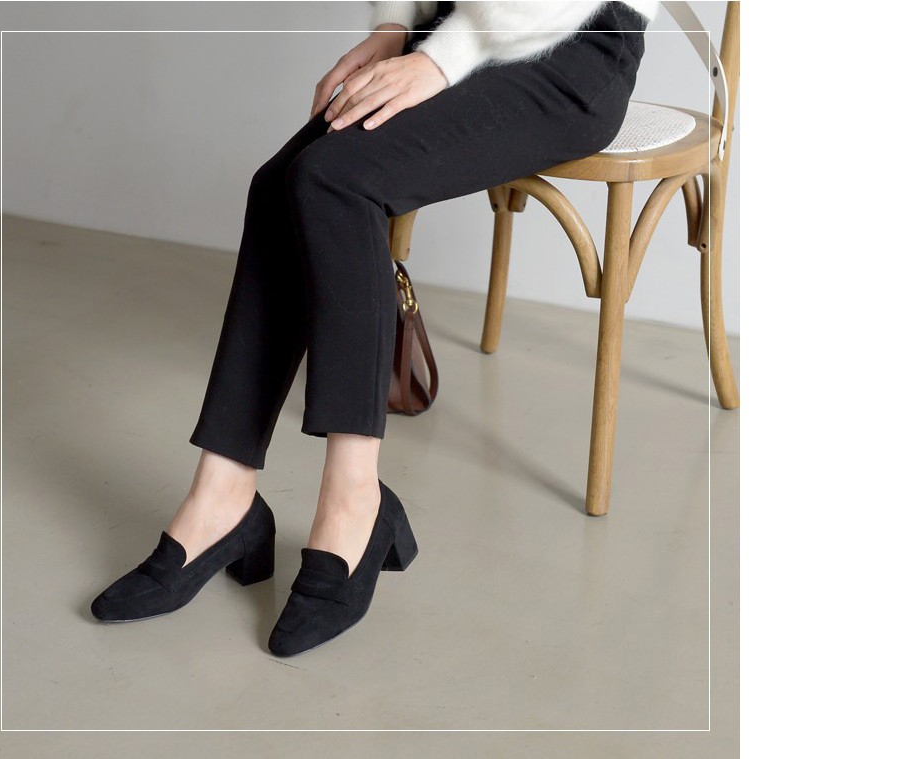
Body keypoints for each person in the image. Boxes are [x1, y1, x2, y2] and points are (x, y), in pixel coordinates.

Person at [90, 1, 658, 657]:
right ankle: (223, 494)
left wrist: (442, 57)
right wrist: (398, 25)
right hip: (457, 29)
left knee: (337, 181)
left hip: (569, 42)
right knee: (280, 184)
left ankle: (356, 501)